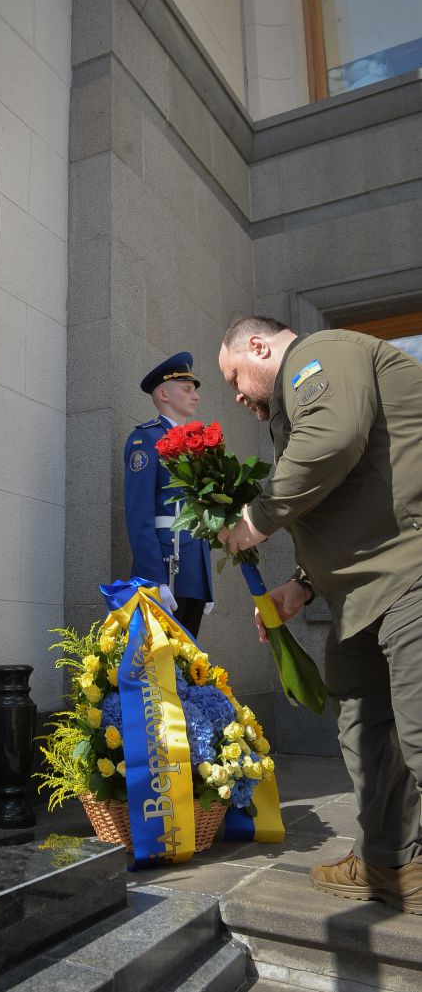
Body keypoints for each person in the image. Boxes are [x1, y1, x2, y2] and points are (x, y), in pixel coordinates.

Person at [217, 316, 422, 915]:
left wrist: (255, 521)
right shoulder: (295, 398)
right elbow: (349, 492)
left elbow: (333, 439)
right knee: (366, 736)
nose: (235, 393)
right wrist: (302, 587)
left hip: (411, 575)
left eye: (234, 375)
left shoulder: (322, 353)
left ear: (259, 346)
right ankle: (391, 865)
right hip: (360, 598)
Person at [124, 352, 213, 638]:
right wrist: (154, 579)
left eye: (194, 390)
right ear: (163, 394)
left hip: (192, 572)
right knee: (159, 668)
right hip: (166, 567)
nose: (195, 396)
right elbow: (139, 515)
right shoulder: (146, 439)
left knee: (188, 666)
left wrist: (205, 579)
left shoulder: (194, 444)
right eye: (187, 389)